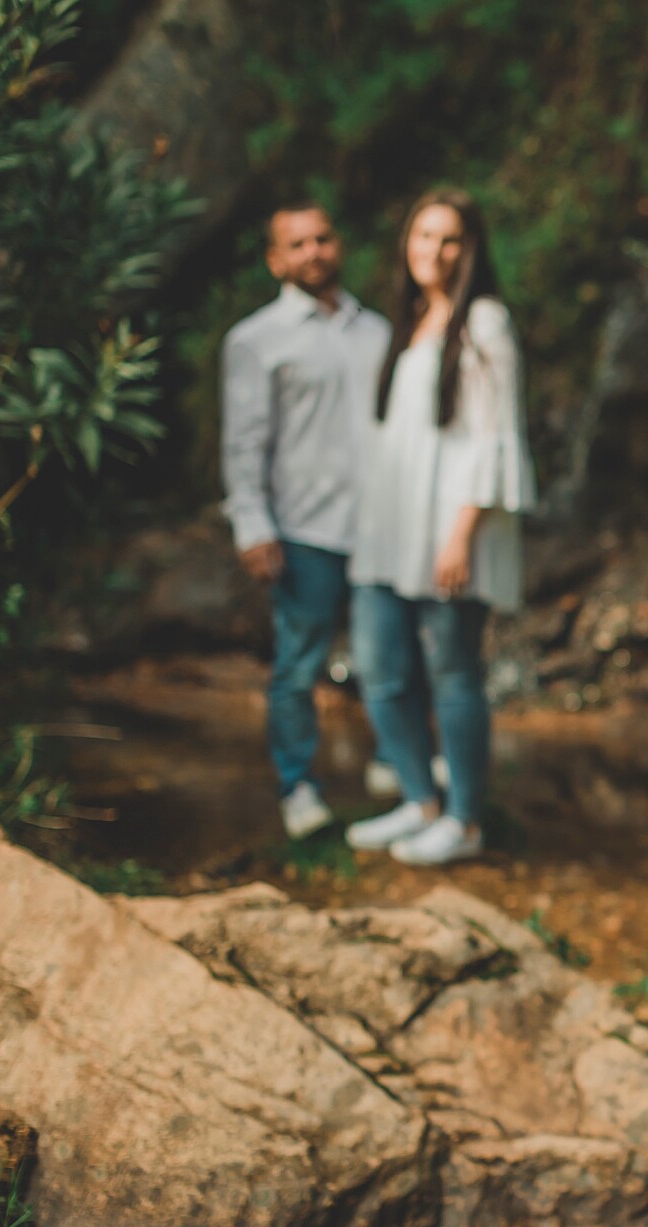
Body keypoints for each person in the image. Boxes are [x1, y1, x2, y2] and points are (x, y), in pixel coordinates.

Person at [344, 188, 536, 867]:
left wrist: (460, 533)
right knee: (379, 668)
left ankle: (464, 819)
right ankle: (419, 799)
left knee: (453, 674)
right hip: (391, 531)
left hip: (450, 529)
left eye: (450, 238)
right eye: (424, 235)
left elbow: (497, 437)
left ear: (471, 248)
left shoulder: (485, 321)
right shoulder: (411, 319)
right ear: (407, 243)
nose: (435, 250)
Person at [221, 201, 393, 839]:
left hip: (380, 527)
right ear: (276, 260)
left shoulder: (377, 331)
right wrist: (251, 524)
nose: (313, 252)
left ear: (339, 245)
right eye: (297, 244)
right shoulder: (255, 340)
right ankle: (299, 789)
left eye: (323, 238)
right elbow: (243, 443)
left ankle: (394, 769)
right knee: (298, 665)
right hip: (303, 530)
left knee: (389, 655)